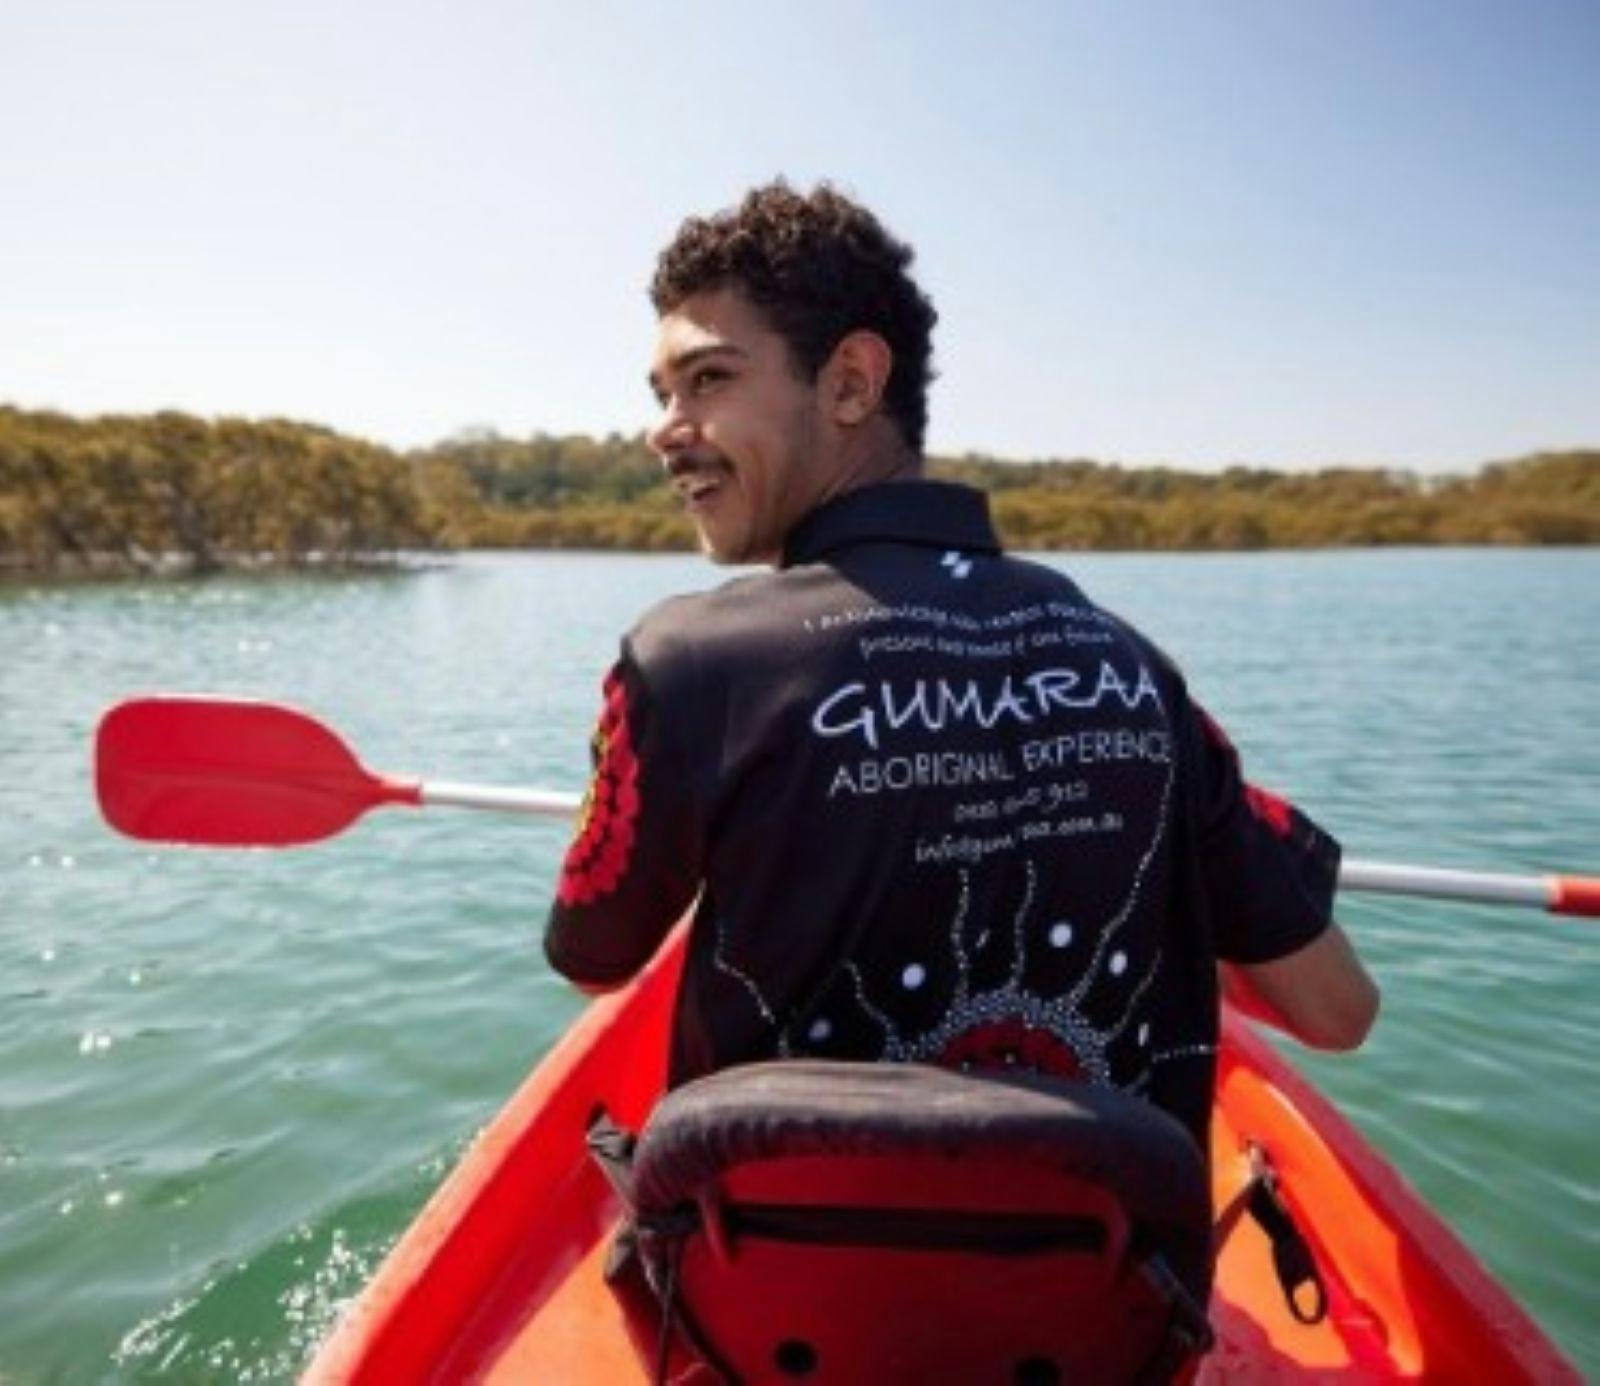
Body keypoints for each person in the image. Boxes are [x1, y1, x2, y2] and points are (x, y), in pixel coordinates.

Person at [544, 181, 1377, 1159]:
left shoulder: (683, 664)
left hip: (776, 1307)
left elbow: (592, 959)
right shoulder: (1136, 672)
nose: (663, 428)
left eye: (708, 380)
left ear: (851, 381)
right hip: (1104, 1305)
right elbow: (1335, 1010)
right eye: (662, 394)